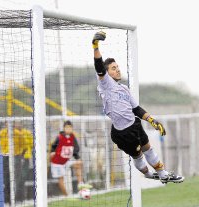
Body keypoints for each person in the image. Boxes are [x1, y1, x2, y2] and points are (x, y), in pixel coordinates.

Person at [92, 31, 184, 184]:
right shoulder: (105, 84)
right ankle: (148, 174)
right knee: (138, 155)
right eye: (113, 68)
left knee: (148, 148)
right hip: (122, 133)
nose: (118, 69)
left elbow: (137, 110)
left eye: (118, 67)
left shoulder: (124, 89)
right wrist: (95, 46)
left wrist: (153, 121)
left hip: (134, 124)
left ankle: (163, 174)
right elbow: (99, 67)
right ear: (107, 73)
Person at [50, 120, 90, 196]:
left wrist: (77, 158)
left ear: (72, 128)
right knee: (61, 179)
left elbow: (76, 149)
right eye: (67, 127)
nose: (68, 129)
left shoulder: (72, 137)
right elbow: (53, 148)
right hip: (57, 162)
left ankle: (81, 184)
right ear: (64, 128)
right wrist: (52, 153)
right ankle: (66, 196)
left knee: (79, 164)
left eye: (70, 127)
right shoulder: (59, 137)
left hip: (66, 161)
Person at [0, 122, 32, 202]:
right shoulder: (2, 133)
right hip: (5, 156)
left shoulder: (19, 134)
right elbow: (1, 145)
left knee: (18, 178)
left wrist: (20, 156)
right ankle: (7, 199)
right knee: (6, 178)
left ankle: (17, 199)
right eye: (7, 123)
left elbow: (24, 146)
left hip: (16, 156)